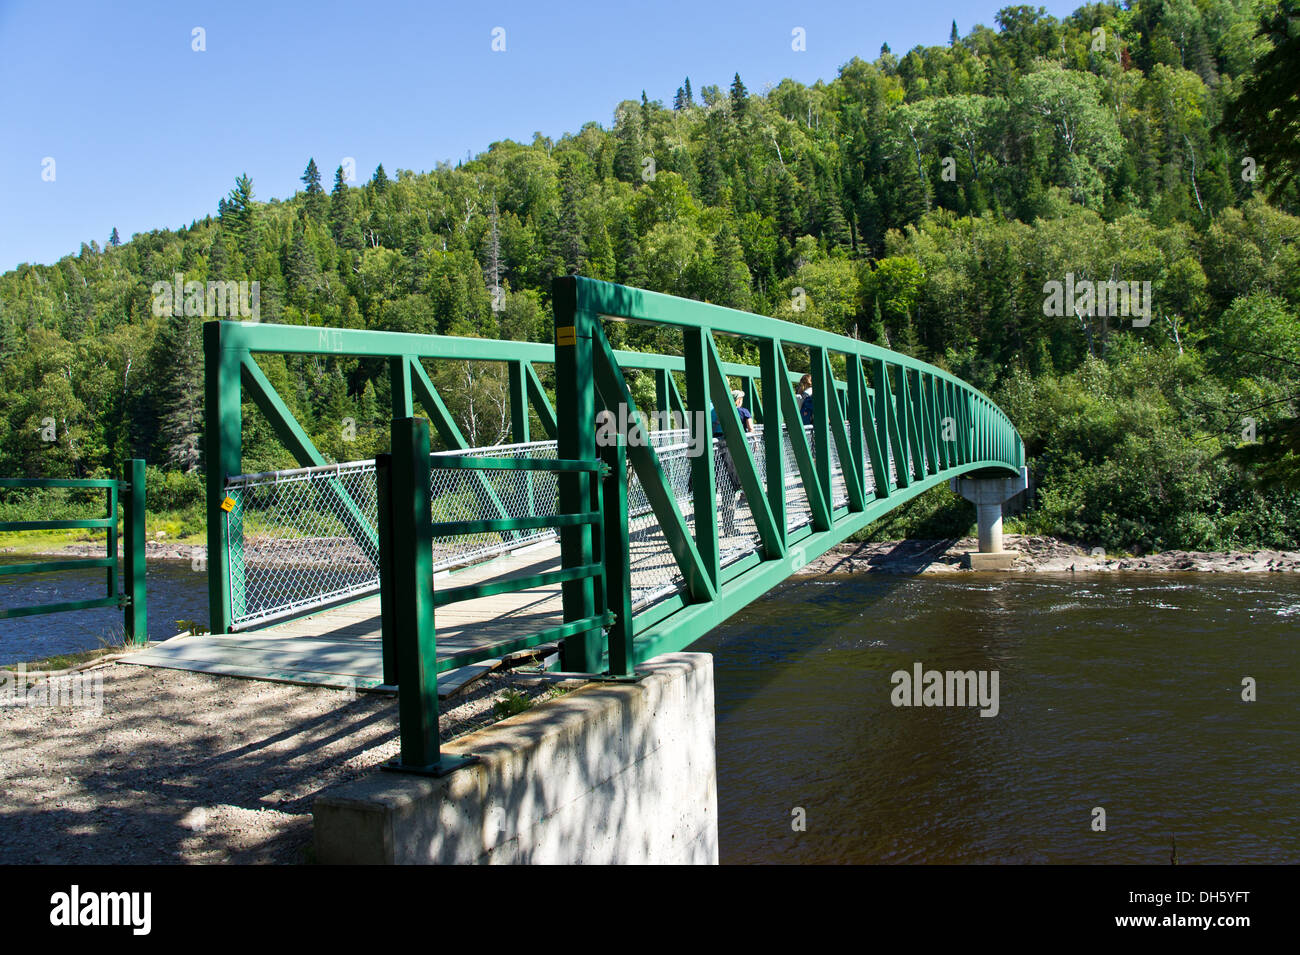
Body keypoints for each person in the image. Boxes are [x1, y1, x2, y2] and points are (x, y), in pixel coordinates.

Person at [711, 389, 754, 537]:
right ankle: (736, 527)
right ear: (738, 400)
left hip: (715, 452)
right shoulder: (742, 411)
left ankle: (720, 528)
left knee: (723, 491)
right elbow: (751, 430)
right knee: (737, 489)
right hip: (733, 453)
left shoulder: (712, 411)